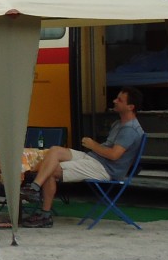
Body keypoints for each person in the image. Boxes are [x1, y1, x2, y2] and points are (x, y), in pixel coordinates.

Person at [20, 86, 144, 228]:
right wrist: (94, 149)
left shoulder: (130, 130)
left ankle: (44, 214)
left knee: (50, 169)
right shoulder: (119, 123)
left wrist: (93, 145)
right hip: (94, 159)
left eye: (120, 100)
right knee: (54, 151)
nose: (114, 101)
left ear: (130, 107)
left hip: (105, 169)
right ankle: (35, 188)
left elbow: (114, 155)